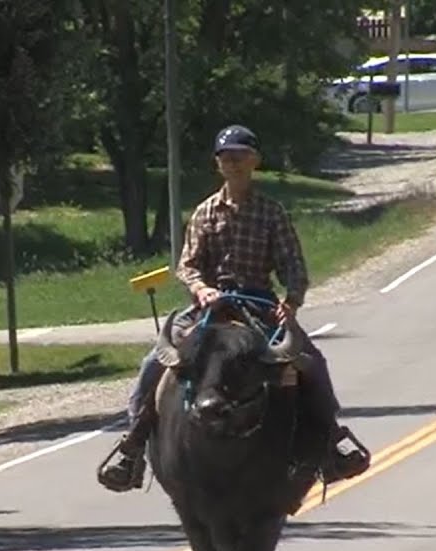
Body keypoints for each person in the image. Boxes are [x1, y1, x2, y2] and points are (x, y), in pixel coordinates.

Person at [96, 123, 368, 493]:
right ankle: (133, 448)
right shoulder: (205, 212)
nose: (234, 164)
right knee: (154, 363)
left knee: (310, 361)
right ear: (218, 164)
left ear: (254, 161)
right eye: (227, 158)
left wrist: (290, 303)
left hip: (260, 302)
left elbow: (295, 268)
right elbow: (187, 265)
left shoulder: (271, 213)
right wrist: (202, 288)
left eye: (240, 157)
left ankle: (330, 444)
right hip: (210, 305)